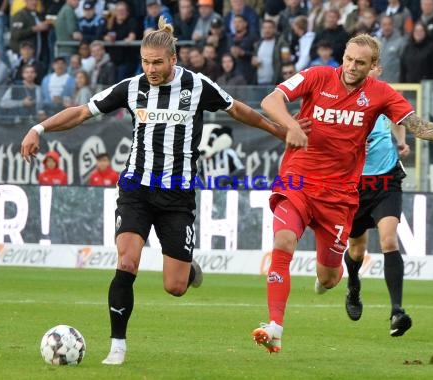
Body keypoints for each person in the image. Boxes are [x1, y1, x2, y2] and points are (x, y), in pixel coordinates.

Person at [20, 17, 308, 365]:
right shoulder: (131, 87)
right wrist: (39, 127)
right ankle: (118, 346)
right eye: (145, 61)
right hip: (137, 188)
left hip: (177, 196)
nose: (151, 69)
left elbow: (240, 111)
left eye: (157, 62)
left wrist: (280, 131)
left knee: (175, 286)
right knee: (127, 261)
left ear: (173, 59)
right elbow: (82, 112)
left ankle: (188, 271)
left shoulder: (197, 86)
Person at [251, 33, 433, 354]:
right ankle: (275, 326)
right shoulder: (318, 75)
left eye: (359, 63)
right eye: (347, 59)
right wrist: (290, 125)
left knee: (331, 276)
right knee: (283, 241)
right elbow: (270, 100)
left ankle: (328, 280)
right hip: (298, 181)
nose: (350, 66)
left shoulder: (380, 94)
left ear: (373, 66)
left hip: (339, 195)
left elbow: (417, 126)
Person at [338, 64, 411, 336]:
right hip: (354, 184)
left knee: (389, 240)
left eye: (368, 64)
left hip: (386, 182)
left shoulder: (385, 95)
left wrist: (401, 141)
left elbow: (401, 117)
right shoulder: (343, 97)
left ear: (377, 68)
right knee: (357, 249)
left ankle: (397, 312)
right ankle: (354, 284)